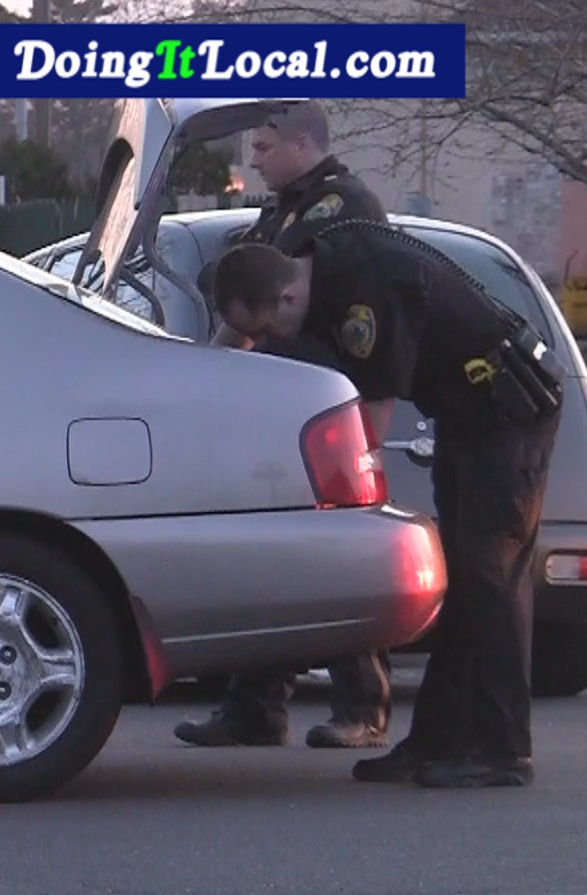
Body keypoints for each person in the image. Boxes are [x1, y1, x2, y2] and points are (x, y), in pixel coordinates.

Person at [211, 220, 562, 789]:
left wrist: (346, 500)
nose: (271, 341)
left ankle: (504, 749)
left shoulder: (363, 297)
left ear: (288, 297)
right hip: (470, 416)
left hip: (509, 415)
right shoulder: (311, 269)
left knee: (490, 575)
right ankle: (435, 742)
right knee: (465, 579)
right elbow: (242, 338)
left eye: (268, 329)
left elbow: (372, 418)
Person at [176, 100, 398, 752]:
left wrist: (367, 436)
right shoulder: (284, 212)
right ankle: (255, 707)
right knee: (273, 561)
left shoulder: (346, 212)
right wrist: (208, 370)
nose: (253, 159)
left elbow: (371, 337)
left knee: (343, 561)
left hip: (329, 418)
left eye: (264, 147)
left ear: (301, 143)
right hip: (280, 418)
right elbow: (248, 306)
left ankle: (363, 707)